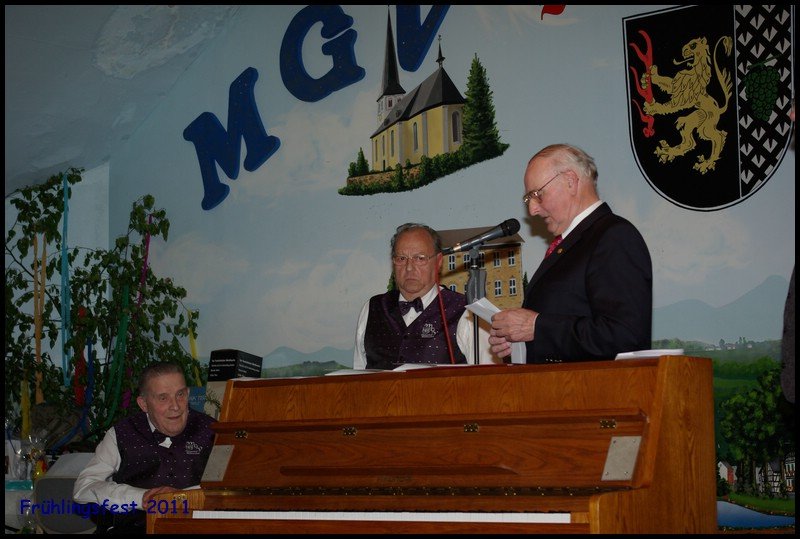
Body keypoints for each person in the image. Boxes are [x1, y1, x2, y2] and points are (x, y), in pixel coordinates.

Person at [489, 143, 652, 363]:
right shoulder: (571, 244)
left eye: (537, 194)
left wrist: (537, 327)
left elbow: (625, 336)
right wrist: (518, 343)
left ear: (570, 181)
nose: (532, 210)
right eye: (528, 199)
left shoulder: (614, 236)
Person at [73, 361, 216, 533]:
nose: (175, 406)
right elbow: (83, 488)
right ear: (143, 404)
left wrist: (185, 498)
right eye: (163, 398)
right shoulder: (121, 434)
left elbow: (234, 489)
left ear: (188, 393)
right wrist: (141, 497)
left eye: (180, 394)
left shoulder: (214, 431)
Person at [354, 223, 487, 369]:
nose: (409, 267)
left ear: (438, 261)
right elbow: (356, 376)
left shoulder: (467, 311)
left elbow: (489, 377)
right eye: (401, 258)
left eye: (419, 258)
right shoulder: (372, 308)